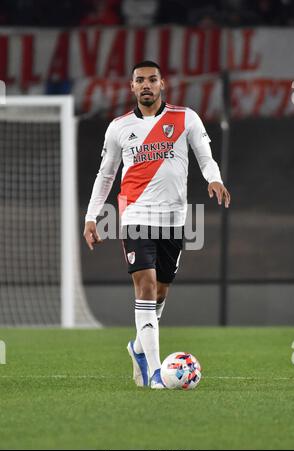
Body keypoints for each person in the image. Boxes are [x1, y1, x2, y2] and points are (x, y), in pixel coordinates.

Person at [83, 60, 230, 389]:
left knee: (160, 292)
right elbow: (106, 175)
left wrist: (214, 179)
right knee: (146, 287)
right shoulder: (119, 128)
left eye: (152, 79)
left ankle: (137, 348)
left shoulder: (185, 118)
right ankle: (153, 374)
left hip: (174, 221)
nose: (146, 85)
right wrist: (92, 216)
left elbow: (204, 155)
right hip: (135, 216)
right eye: (140, 80)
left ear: (162, 83)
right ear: (132, 87)